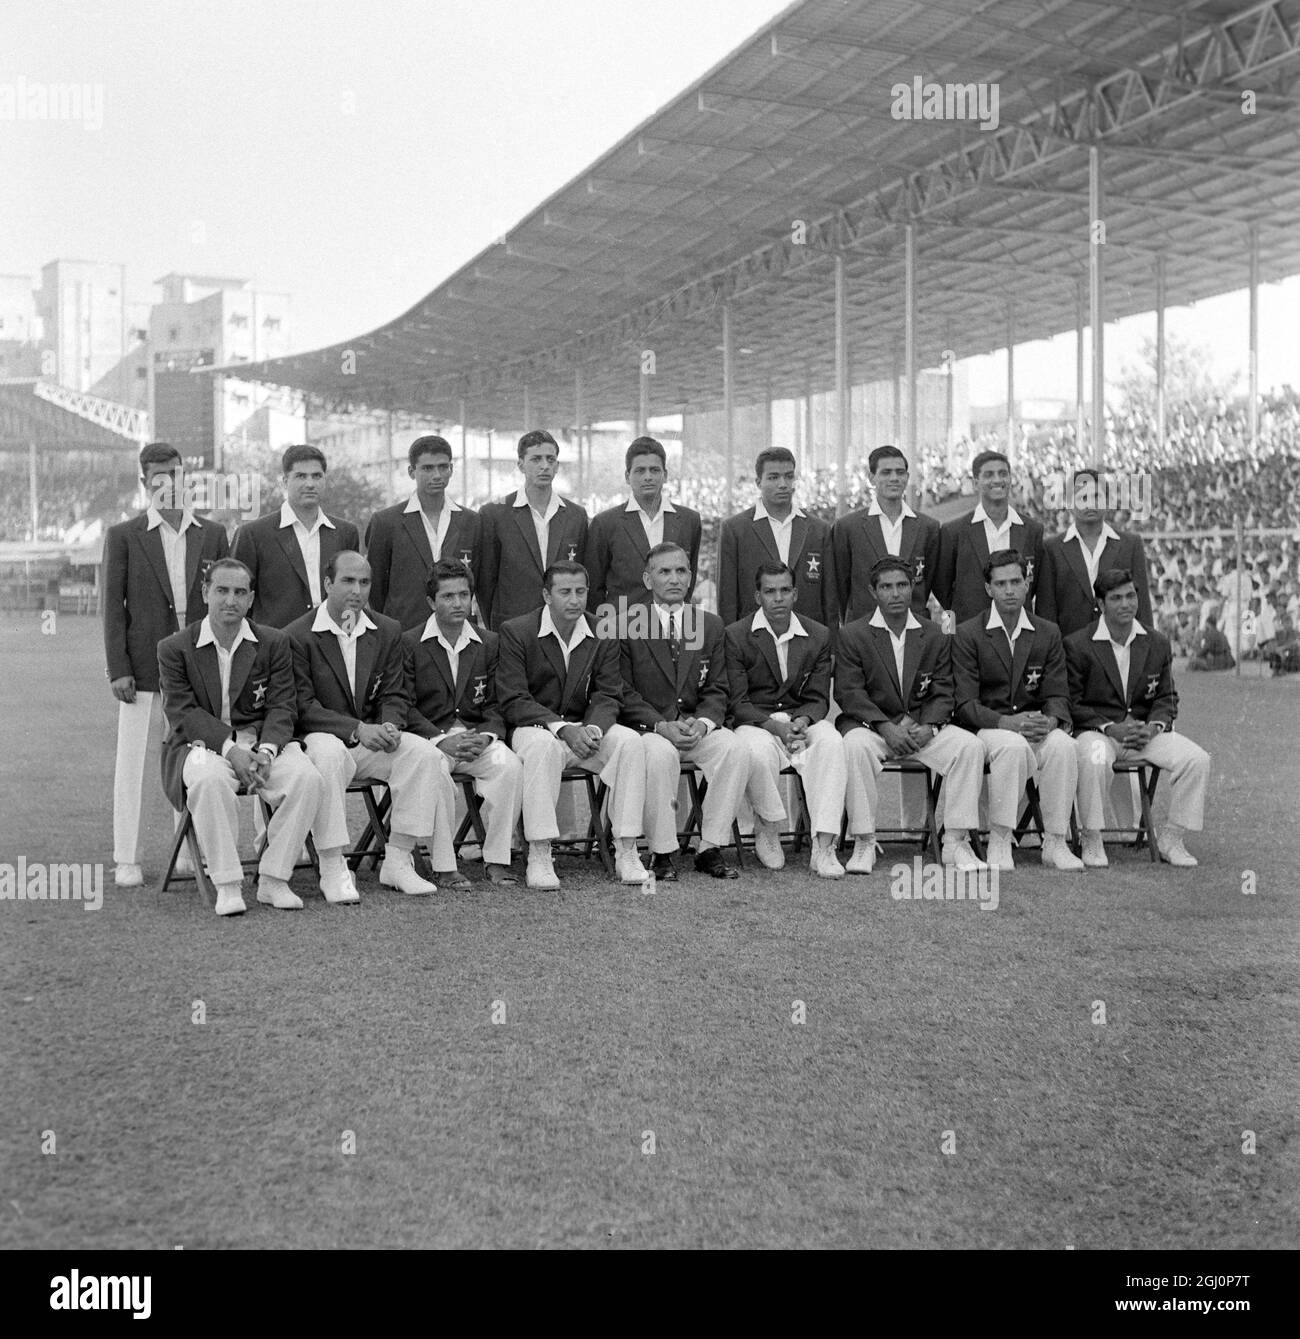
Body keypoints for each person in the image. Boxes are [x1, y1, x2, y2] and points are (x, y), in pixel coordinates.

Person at [157, 558, 326, 917]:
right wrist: (231, 750)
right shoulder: (174, 648)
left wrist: (265, 751)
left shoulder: (274, 642)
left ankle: (274, 879)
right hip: (200, 746)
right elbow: (183, 714)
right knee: (208, 778)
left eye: (239, 592)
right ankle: (228, 883)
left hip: (262, 743)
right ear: (205, 593)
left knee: (307, 777)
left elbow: (283, 705)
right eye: (221, 590)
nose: (230, 600)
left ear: (250, 599)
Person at [285, 551, 446, 900]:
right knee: (327, 753)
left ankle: (399, 860)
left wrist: (389, 725)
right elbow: (302, 706)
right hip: (320, 740)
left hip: (369, 741)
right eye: (347, 581)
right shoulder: (296, 635)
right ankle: (332, 866)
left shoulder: (387, 630)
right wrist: (358, 729)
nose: (357, 590)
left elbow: (395, 692)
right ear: (327, 584)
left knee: (423, 754)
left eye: (364, 582)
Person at [104, 443, 229, 887]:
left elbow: (223, 601)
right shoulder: (124, 535)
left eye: (174, 475)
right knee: (134, 763)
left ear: (183, 478)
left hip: (196, 667)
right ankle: (127, 858)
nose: (167, 484)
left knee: (195, 757)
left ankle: (186, 853)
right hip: (139, 669)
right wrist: (118, 668)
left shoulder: (213, 534)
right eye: (157, 477)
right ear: (145, 482)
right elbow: (112, 609)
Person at [496, 561, 648, 888]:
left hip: (584, 729)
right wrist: (562, 728)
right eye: (565, 592)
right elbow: (513, 699)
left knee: (630, 742)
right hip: (533, 728)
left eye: (580, 591)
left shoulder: (601, 630)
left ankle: (626, 848)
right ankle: (539, 851)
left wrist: (593, 728)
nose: (574, 600)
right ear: (546, 595)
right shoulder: (516, 631)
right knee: (543, 746)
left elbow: (609, 692)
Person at [836, 557, 987, 874]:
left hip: (920, 727)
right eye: (886, 587)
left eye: (902, 585)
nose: (895, 594)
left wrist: (930, 726)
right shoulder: (853, 634)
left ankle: (955, 843)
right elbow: (850, 693)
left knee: (969, 746)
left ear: (913, 587)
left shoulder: (935, 632)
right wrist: (885, 726)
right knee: (854, 746)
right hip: (874, 727)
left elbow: (945, 689)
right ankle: (864, 840)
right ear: (873, 591)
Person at [1065, 568, 1211, 868]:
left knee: (1197, 759)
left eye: (1131, 596)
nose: (1125, 604)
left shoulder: (1156, 642)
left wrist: (1154, 727)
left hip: (1143, 734)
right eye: (1116, 598)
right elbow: (1071, 702)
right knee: (1093, 758)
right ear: (1101, 605)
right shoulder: (1078, 644)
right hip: (1098, 733)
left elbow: (1167, 698)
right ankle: (1092, 835)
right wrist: (1109, 727)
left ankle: (1171, 838)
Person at [951, 550, 1085, 871]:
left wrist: (1051, 720)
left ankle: (1054, 841)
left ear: (1028, 584)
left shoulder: (1048, 632)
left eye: (1015, 581)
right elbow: (965, 704)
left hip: (1032, 726)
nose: (1009, 590)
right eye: (1001, 584)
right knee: (1010, 747)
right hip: (989, 729)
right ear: (988, 589)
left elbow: (1057, 694)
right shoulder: (969, 633)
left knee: (1065, 745)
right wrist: (1006, 723)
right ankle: (1000, 838)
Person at [618, 543, 744, 881]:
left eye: (681, 571)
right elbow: (622, 692)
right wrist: (661, 725)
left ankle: (711, 846)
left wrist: (703, 724)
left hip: (693, 727)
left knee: (733, 748)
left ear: (690, 576)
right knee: (660, 756)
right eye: (664, 572)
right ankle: (662, 852)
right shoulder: (626, 624)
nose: (674, 579)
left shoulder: (711, 625)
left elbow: (718, 687)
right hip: (649, 729)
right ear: (648, 579)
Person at [403, 560, 523, 887]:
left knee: (509, 765)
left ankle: (498, 859)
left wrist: (486, 737)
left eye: (464, 595)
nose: (458, 603)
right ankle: (444, 866)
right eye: (447, 596)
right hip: (432, 744)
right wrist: (440, 740)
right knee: (434, 770)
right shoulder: (409, 643)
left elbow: (500, 701)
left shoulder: (491, 642)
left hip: (477, 741)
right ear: (431, 602)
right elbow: (405, 706)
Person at [724, 562, 847, 878]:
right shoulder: (736, 636)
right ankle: (768, 828)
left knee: (831, 741)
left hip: (798, 718)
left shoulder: (818, 635)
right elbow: (738, 702)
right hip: (756, 721)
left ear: (795, 593)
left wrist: (803, 722)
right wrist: (776, 727)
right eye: (769, 591)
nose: (777, 598)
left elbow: (819, 697)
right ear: (757, 596)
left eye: (784, 591)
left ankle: (824, 844)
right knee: (755, 750)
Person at [232, 444, 361, 628]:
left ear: (325, 480)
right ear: (285, 481)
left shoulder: (345, 533)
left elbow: (352, 593)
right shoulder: (253, 534)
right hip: (277, 646)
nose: (310, 483)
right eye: (301, 476)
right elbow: (238, 598)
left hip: (333, 642)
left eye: (317, 476)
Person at [364, 434, 482, 630]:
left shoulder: (472, 521)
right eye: (427, 468)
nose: (436, 475)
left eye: (443, 467)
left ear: (451, 469)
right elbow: (376, 589)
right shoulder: (386, 522)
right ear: (411, 471)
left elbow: (479, 581)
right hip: (404, 631)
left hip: (458, 633)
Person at [478, 429, 588, 630]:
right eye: (536, 459)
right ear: (520, 465)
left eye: (550, 459)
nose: (544, 466)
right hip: (511, 625)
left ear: (557, 466)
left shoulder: (576, 515)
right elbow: (485, 582)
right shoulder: (495, 514)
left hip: (563, 624)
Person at [717, 448, 836, 628]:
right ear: (758, 482)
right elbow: (727, 599)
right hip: (753, 640)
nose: (783, 484)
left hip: (809, 640)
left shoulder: (819, 529)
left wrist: (832, 648)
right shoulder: (735, 529)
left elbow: (830, 599)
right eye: (773, 477)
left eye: (788, 476)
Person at [585, 436, 702, 614]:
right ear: (627, 476)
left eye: (654, 470)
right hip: (621, 629)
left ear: (665, 475)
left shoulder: (689, 520)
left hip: (672, 625)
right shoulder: (605, 523)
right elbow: (594, 587)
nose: (648, 477)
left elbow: (689, 579)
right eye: (640, 471)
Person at [831, 445, 941, 623]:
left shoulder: (928, 527)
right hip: (864, 630)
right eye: (886, 472)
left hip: (914, 629)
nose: (894, 478)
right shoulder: (848, 527)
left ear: (907, 477)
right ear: (871, 478)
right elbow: (840, 588)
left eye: (900, 472)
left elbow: (932, 584)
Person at [1037, 468, 1153, 636]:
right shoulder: (1051, 548)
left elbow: (1142, 605)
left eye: (1096, 496)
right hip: (1069, 652)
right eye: (1082, 497)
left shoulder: (1130, 545)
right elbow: (1047, 610)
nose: (1090, 504)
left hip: (1120, 650)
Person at [934, 450, 1045, 625]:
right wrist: (960, 617)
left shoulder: (1032, 530)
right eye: (989, 475)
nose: (997, 480)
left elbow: (1035, 582)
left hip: (1017, 627)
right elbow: (942, 586)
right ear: (975, 483)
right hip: (969, 629)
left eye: (1003, 474)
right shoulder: (953, 531)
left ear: (1010, 479)